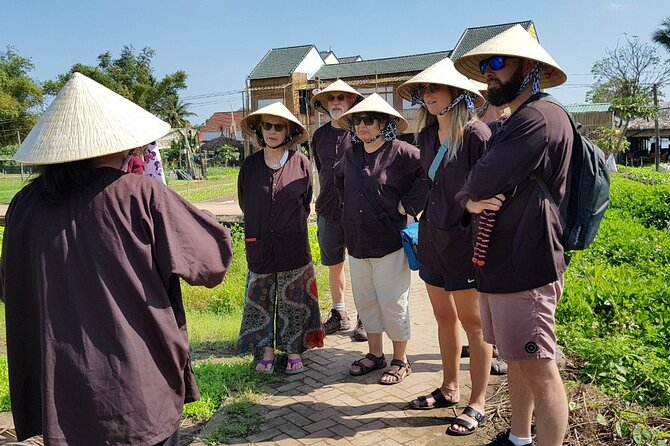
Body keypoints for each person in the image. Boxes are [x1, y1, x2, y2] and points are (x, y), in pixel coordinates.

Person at [0, 72, 234, 446]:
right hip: (137, 388)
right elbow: (211, 262)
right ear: (118, 142)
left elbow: (10, 287)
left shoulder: (24, 206)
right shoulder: (140, 195)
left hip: (63, 397)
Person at [453, 24, 572, 446]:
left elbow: (482, 177)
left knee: (540, 367)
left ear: (531, 67)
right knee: (518, 360)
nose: (490, 71)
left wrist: (469, 195)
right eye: (486, 64)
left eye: (499, 62)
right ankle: (519, 437)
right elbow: (476, 183)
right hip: (504, 262)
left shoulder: (540, 117)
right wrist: (469, 199)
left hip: (527, 261)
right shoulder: (515, 119)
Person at [397, 58, 492, 436]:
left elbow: (491, 191)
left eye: (434, 88)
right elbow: (428, 184)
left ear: (457, 94)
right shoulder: (423, 137)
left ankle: (478, 401)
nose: (428, 95)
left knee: (475, 324)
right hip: (434, 239)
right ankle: (450, 388)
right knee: (443, 318)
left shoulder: (477, 136)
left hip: (466, 243)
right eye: (424, 90)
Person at [334, 93, 428, 385]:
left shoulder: (402, 152)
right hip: (357, 239)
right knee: (366, 301)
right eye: (357, 120)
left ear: (384, 123)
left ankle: (400, 359)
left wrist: (408, 207)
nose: (362, 125)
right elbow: (339, 183)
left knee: (392, 301)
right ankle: (375, 354)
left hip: (388, 240)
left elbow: (429, 177)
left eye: (369, 119)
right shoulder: (350, 153)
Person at [237, 102, 325, 375]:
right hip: (260, 244)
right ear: (260, 130)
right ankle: (265, 351)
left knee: (293, 300)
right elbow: (245, 202)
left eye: (279, 126)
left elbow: (305, 202)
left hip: (292, 246)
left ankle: (293, 350)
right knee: (261, 299)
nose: (272, 131)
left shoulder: (301, 163)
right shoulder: (250, 166)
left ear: (288, 131)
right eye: (267, 126)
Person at [310, 79, 368, 341]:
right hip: (327, 209)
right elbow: (320, 168)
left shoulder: (361, 132)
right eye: (331, 98)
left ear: (352, 101)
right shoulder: (319, 136)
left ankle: (365, 317)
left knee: (361, 265)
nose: (335, 102)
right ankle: (340, 313)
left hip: (356, 212)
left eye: (341, 98)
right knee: (334, 264)